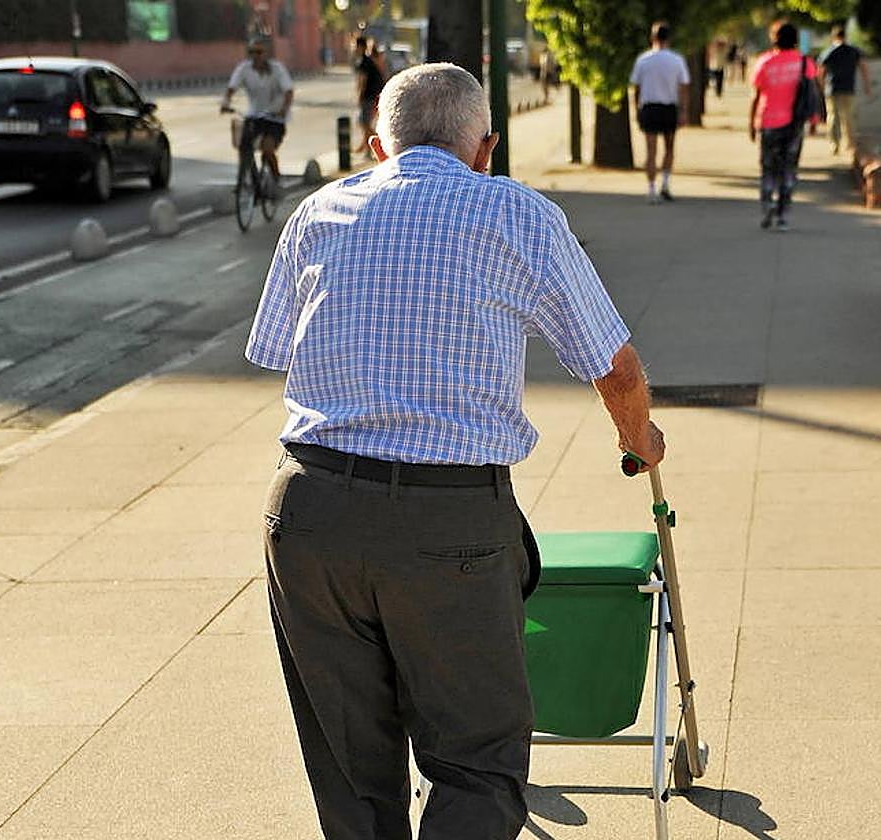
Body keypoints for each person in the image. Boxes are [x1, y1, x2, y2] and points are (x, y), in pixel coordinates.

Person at [246, 62, 665, 840]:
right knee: (478, 763)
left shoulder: (318, 210)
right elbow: (617, 366)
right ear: (486, 148)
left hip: (309, 513)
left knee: (351, 773)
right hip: (452, 523)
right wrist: (640, 441)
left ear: (379, 146)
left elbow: (275, 348)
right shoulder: (517, 213)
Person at [749, 20, 818, 231]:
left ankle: (767, 203)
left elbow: (757, 94)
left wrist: (751, 122)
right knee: (789, 169)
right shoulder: (805, 63)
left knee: (768, 167)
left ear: (774, 38)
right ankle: (783, 216)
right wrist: (813, 121)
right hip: (795, 125)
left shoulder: (765, 62)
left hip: (769, 122)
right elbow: (811, 94)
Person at [629, 21, 691, 204]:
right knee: (669, 148)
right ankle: (665, 183)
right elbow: (684, 87)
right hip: (669, 107)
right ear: (669, 38)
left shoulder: (643, 60)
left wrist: (637, 109)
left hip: (649, 107)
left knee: (651, 150)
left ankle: (651, 189)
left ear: (652, 37)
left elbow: (636, 88)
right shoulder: (677, 60)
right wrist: (684, 111)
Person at [221, 38, 294, 178]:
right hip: (254, 115)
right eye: (252, 52)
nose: (256, 56)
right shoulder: (244, 69)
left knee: (267, 150)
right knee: (244, 146)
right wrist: (226, 103)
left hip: (274, 117)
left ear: (267, 53)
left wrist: (284, 109)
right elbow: (231, 88)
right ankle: (247, 180)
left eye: (259, 52)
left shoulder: (277, 69)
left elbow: (288, 91)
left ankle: (276, 178)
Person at [818, 23, 872, 155]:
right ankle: (850, 144)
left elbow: (820, 71)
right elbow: (863, 68)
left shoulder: (828, 52)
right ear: (845, 36)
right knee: (848, 117)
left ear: (833, 36)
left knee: (832, 117)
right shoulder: (854, 51)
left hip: (832, 88)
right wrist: (867, 85)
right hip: (848, 88)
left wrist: (821, 86)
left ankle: (834, 144)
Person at [353, 35, 385, 158]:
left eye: (355, 46)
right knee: (364, 122)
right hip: (374, 94)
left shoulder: (363, 62)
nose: (353, 49)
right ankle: (367, 149)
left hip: (369, 96)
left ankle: (381, 145)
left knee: (364, 122)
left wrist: (359, 96)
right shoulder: (367, 60)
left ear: (360, 47)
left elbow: (363, 81)